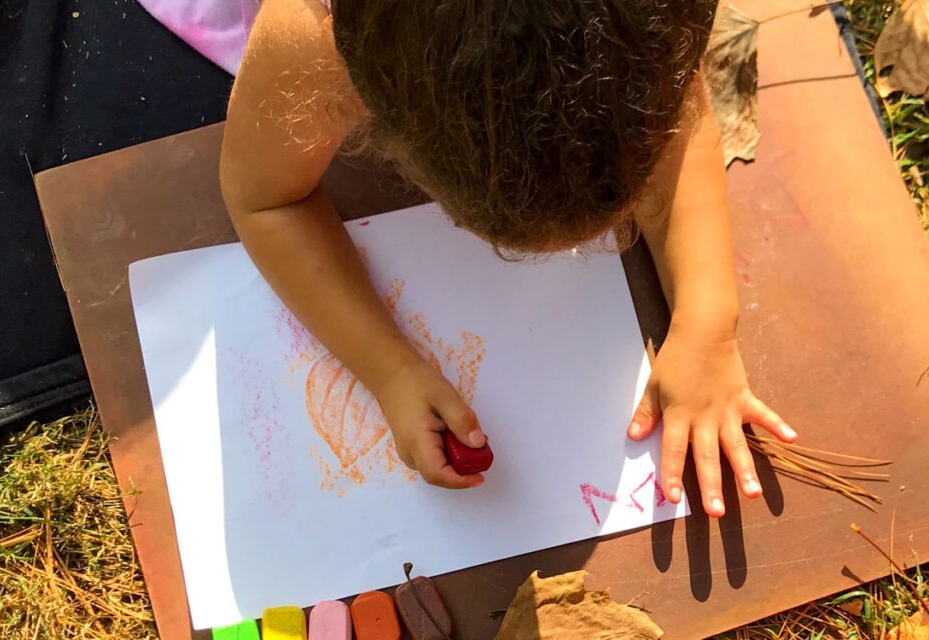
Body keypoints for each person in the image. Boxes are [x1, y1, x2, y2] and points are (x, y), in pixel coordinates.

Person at [219, 0, 798, 518]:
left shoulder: (636, 21)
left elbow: (679, 121)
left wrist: (707, 320)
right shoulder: (312, 35)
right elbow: (263, 199)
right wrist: (386, 367)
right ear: (385, 131)